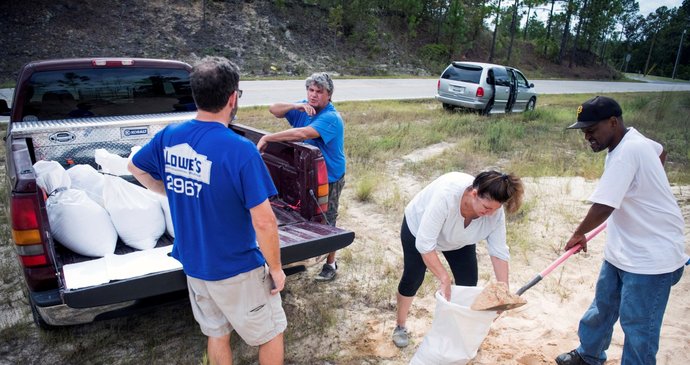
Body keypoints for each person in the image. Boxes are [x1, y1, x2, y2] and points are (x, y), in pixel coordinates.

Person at [127, 56, 287, 365]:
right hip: (235, 268)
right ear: (232, 98)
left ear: (196, 95)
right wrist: (277, 269)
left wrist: (170, 189)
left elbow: (135, 167)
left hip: (194, 266)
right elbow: (265, 222)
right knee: (270, 333)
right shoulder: (240, 149)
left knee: (216, 333)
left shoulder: (168, 136)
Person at [555, 96, 688, 365]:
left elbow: (603, 206)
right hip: (623, 249)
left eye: (591, 131)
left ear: (613, 122)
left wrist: (579, 234)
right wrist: (642, 187)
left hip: (651, 258)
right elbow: (660, 151)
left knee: (638, 325)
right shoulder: (633, 140)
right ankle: (588, 355)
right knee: (602, 308)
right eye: (584, 132)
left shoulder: (628, 152)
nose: (587, 137)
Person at [392, 170, 524, 348]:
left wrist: (504, 290)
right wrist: (443, 277)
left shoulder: (494, 213)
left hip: (460, 238)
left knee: (468, 283)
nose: (490, 213)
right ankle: (400, 326)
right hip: (418, 229)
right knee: (413, 277)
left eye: (495, 209)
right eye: (486, 207)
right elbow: (425, 244)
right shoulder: (446, 197)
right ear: (474, 194)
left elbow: (499, 250)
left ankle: (460, 332)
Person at [257, 72, 346, 282]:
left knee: (328, 218)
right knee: (304, 213)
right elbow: (273, 108)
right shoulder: (305, 108)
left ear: (329, 95)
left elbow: (302, 134)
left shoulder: (331, 118)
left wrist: (269, 137)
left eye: (319, 92)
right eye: (311, 90)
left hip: (329, 176)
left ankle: (330, 264)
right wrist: (295, 106)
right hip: (308, 173)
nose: (313, 95)